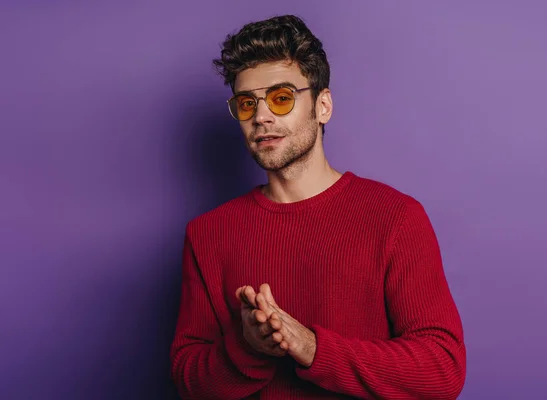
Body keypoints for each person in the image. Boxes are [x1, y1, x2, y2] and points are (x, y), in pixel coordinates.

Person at [170, 14, 466, 400]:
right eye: (247, 104)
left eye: (281, 98)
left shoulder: (395, 218)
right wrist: (247, 347)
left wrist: (310, 348)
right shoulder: (208, 233)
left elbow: (442, 369)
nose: (261, 116)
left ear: (322, 106)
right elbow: (189, 381)